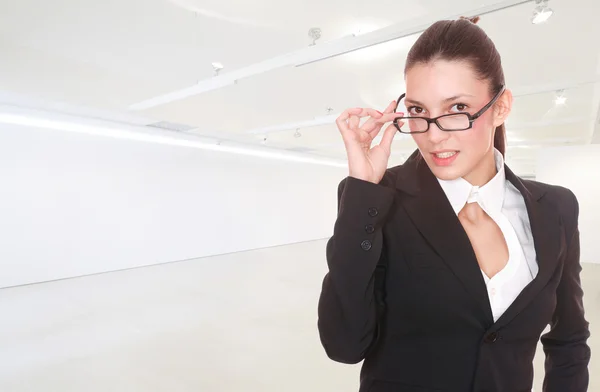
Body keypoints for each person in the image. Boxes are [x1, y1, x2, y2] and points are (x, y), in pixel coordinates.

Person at [317, 16, 591, 392]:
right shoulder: (379, 200)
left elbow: (569, 339)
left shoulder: (556, 208)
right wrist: (363, 190)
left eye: (458, 107)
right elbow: (344, 345)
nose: (432, 135)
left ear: (501, 107)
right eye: (417, 111)